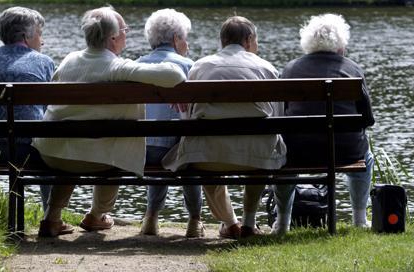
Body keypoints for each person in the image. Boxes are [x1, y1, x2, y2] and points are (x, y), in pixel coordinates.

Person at [32, 6, 186, 237]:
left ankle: (51, 217)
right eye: (125, 29)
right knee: (112, 150)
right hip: (96, 158)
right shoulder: (117, 66)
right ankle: (97, 215)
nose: (127, 33)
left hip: (54, 152)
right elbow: (176, 76)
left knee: (74, 146)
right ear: (113, 37)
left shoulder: (69, 60)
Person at [162, 16, 287, 239]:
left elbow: (189, 117)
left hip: (207, 157)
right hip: (257, 157)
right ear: (248, 40)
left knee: (201, 146)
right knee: (261, 145)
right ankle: (248, 223)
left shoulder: (201, 66)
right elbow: (277, 118)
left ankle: (229, 223)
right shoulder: (266, 68)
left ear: (222, 40)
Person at [278, 13, 375, 232]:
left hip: (298, 152)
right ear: (341, 43)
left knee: (282, 157)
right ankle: (359, 219)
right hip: (345, 152)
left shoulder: (290, 69)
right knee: (366, 157)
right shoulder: (352, 69)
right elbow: (367, 119)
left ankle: (281, 224)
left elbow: (282, 114)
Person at [0, 6, 53, 209]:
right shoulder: (44, 62)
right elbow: (50, 109)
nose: (42, 41)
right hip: (29, 150)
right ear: (26, 36)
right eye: (40, 34)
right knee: (48, 139)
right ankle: (50, 215)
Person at [136, 9, 204, 238]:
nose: (187, 43)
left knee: (158, 142)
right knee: (187, 146)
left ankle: (151, 218)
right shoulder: (189, 67)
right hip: (179, 153)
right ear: (176, 39)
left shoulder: (136, 66)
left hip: (140, 153)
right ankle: (195, 220)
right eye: (185, 37)